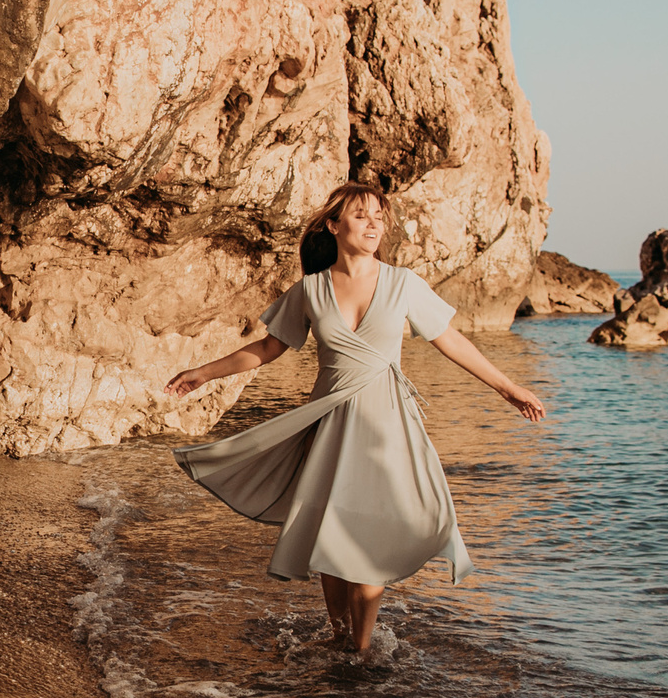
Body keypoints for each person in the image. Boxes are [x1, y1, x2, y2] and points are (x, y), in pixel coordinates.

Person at [164, 182, 547, 655]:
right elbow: (268, 348)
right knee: (332, 527)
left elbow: (450, 340)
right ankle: (341, 636)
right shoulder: (311, 289)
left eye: (379, 217)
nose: (373, 224)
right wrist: (205, 372)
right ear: (334, 225)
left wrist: (508, 388)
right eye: (362, 215)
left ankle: (360, 649)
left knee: (371, 535)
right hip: (330, 421)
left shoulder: (403, 283)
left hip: (387, 427)